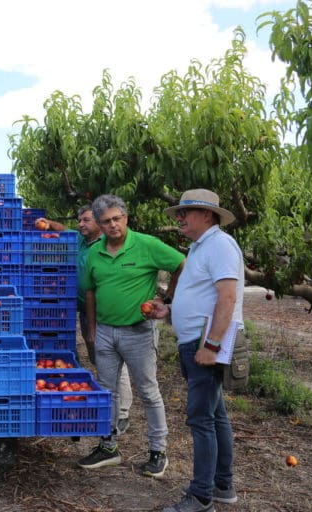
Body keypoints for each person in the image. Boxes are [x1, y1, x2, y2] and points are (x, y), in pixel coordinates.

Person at [77, 194, 185, 478]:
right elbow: (90, 290)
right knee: (107, 390)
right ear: (99, 224)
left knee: (148, 390)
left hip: (138, 331)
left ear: (126, 218)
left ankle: (158, 452)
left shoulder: (146, 245)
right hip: (105, 331)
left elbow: (181, 264)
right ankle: (108, 447)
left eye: (117, 218)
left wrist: (167, 298)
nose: (113, 225)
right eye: (106, 221)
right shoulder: (94, 252)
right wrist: (91, 327)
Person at [149, 189, 243, 512]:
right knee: (215, 415)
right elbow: (200, 295)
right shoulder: (200, 247)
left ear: (207, 215)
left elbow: (227, 298)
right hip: (195, 341)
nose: (179, 218)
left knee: (201, 419)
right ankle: (222, 485)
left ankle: (201, 496)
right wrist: (169, 312)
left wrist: (212, 345)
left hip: (205, 343)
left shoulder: (219, 245)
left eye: (185, 212)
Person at [35, 209, 134, 435]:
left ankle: (122, 412)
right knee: (98, 355)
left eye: (86, 220)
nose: (81, 224)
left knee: (113, 358)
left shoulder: (108, 244)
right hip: (85, 309)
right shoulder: (81, 240)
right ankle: (110, 405)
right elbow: (63, 229)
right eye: (79, 220)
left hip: (104, 310)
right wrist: (48, 223)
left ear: (100, 223)